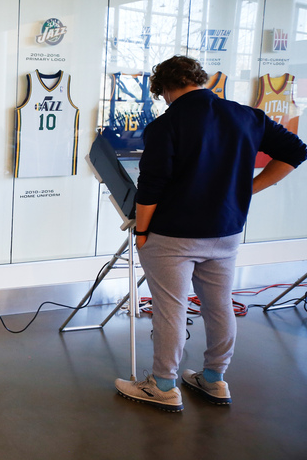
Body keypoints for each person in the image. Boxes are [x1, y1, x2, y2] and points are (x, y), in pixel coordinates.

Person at [114, 55, 307, 412]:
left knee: (170, 309)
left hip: (173, 235)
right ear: (199, 80)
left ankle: (163, 385)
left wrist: (141, 231)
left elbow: (151, 188)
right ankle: (214, 379)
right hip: (225, 231)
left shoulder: (166, 125)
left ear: (165, 89)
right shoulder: (247, 116)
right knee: (219, 306)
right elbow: (296, 151)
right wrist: (248, 189)